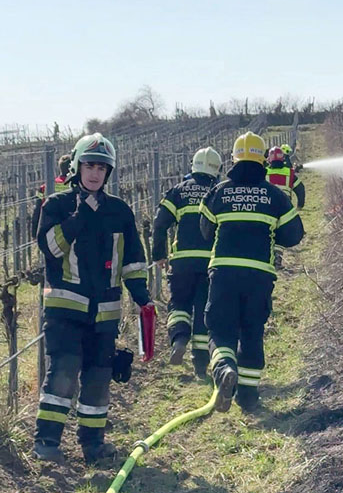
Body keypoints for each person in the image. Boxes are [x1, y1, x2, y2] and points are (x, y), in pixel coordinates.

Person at [34, 133, 152, 464]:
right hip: (64, 311)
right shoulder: (56, 206)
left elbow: (132, 260)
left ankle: (93, 445)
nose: (95, 173)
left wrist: (142, 296)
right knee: (63, 373)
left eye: (102, 168)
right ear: (77, 167)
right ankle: (47, 442)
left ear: (108, 172)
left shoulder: (120, 211)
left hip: (105, 315)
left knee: (99, 380)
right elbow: (50, 247)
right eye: (89, 166)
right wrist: (80, 217)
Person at [199, 131, 304, 413]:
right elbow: (294, 235)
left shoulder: (217, 192)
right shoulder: (275, 194)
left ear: (233, 159)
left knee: (220, 328)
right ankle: (247, 397)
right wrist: (269, 230)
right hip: (259, 275)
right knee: (252, 331)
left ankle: (224, 368)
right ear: (263, 160)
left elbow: (205, 231)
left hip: (223, 273)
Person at [152, 146, 222, 378]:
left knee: (179, 303)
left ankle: (179, 338)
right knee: (203, 310)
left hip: (182, 262)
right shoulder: (218, 191)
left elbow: (159, 223)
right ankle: (200, 366)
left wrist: (159, 254)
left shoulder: (178, 191)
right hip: (210, 263)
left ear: (193, 166)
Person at [265, 146, 306, 268]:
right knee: (281, 232)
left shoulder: (264, 173)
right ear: (283, 158)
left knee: (267, 231)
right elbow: (301, 189)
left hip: (267, 206)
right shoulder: (289, 173)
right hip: (284, 208)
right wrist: (300, 204)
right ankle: (277, 259)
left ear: (269, 159)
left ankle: (266, 258)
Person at [31, 154, 72, 239]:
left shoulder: (42, 188)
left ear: (60, 167)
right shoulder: (75, 186)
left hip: (49, 230)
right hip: (70, 229)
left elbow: (37, 210)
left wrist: (34, 232)